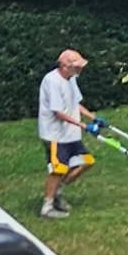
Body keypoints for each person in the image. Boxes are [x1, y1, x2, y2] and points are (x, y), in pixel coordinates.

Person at [35, 48, 92, 218]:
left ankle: (58, 191)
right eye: (77, 66)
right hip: (55, 135)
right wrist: (83, 125)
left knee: (86, 162)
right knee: (58, 170)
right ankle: (47, 207)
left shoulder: (71, 79)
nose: (80, 69)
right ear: (66, 66)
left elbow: (75, 103)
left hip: (70, 134)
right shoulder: (52, 81)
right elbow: (58, 112)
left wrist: (93, 117)